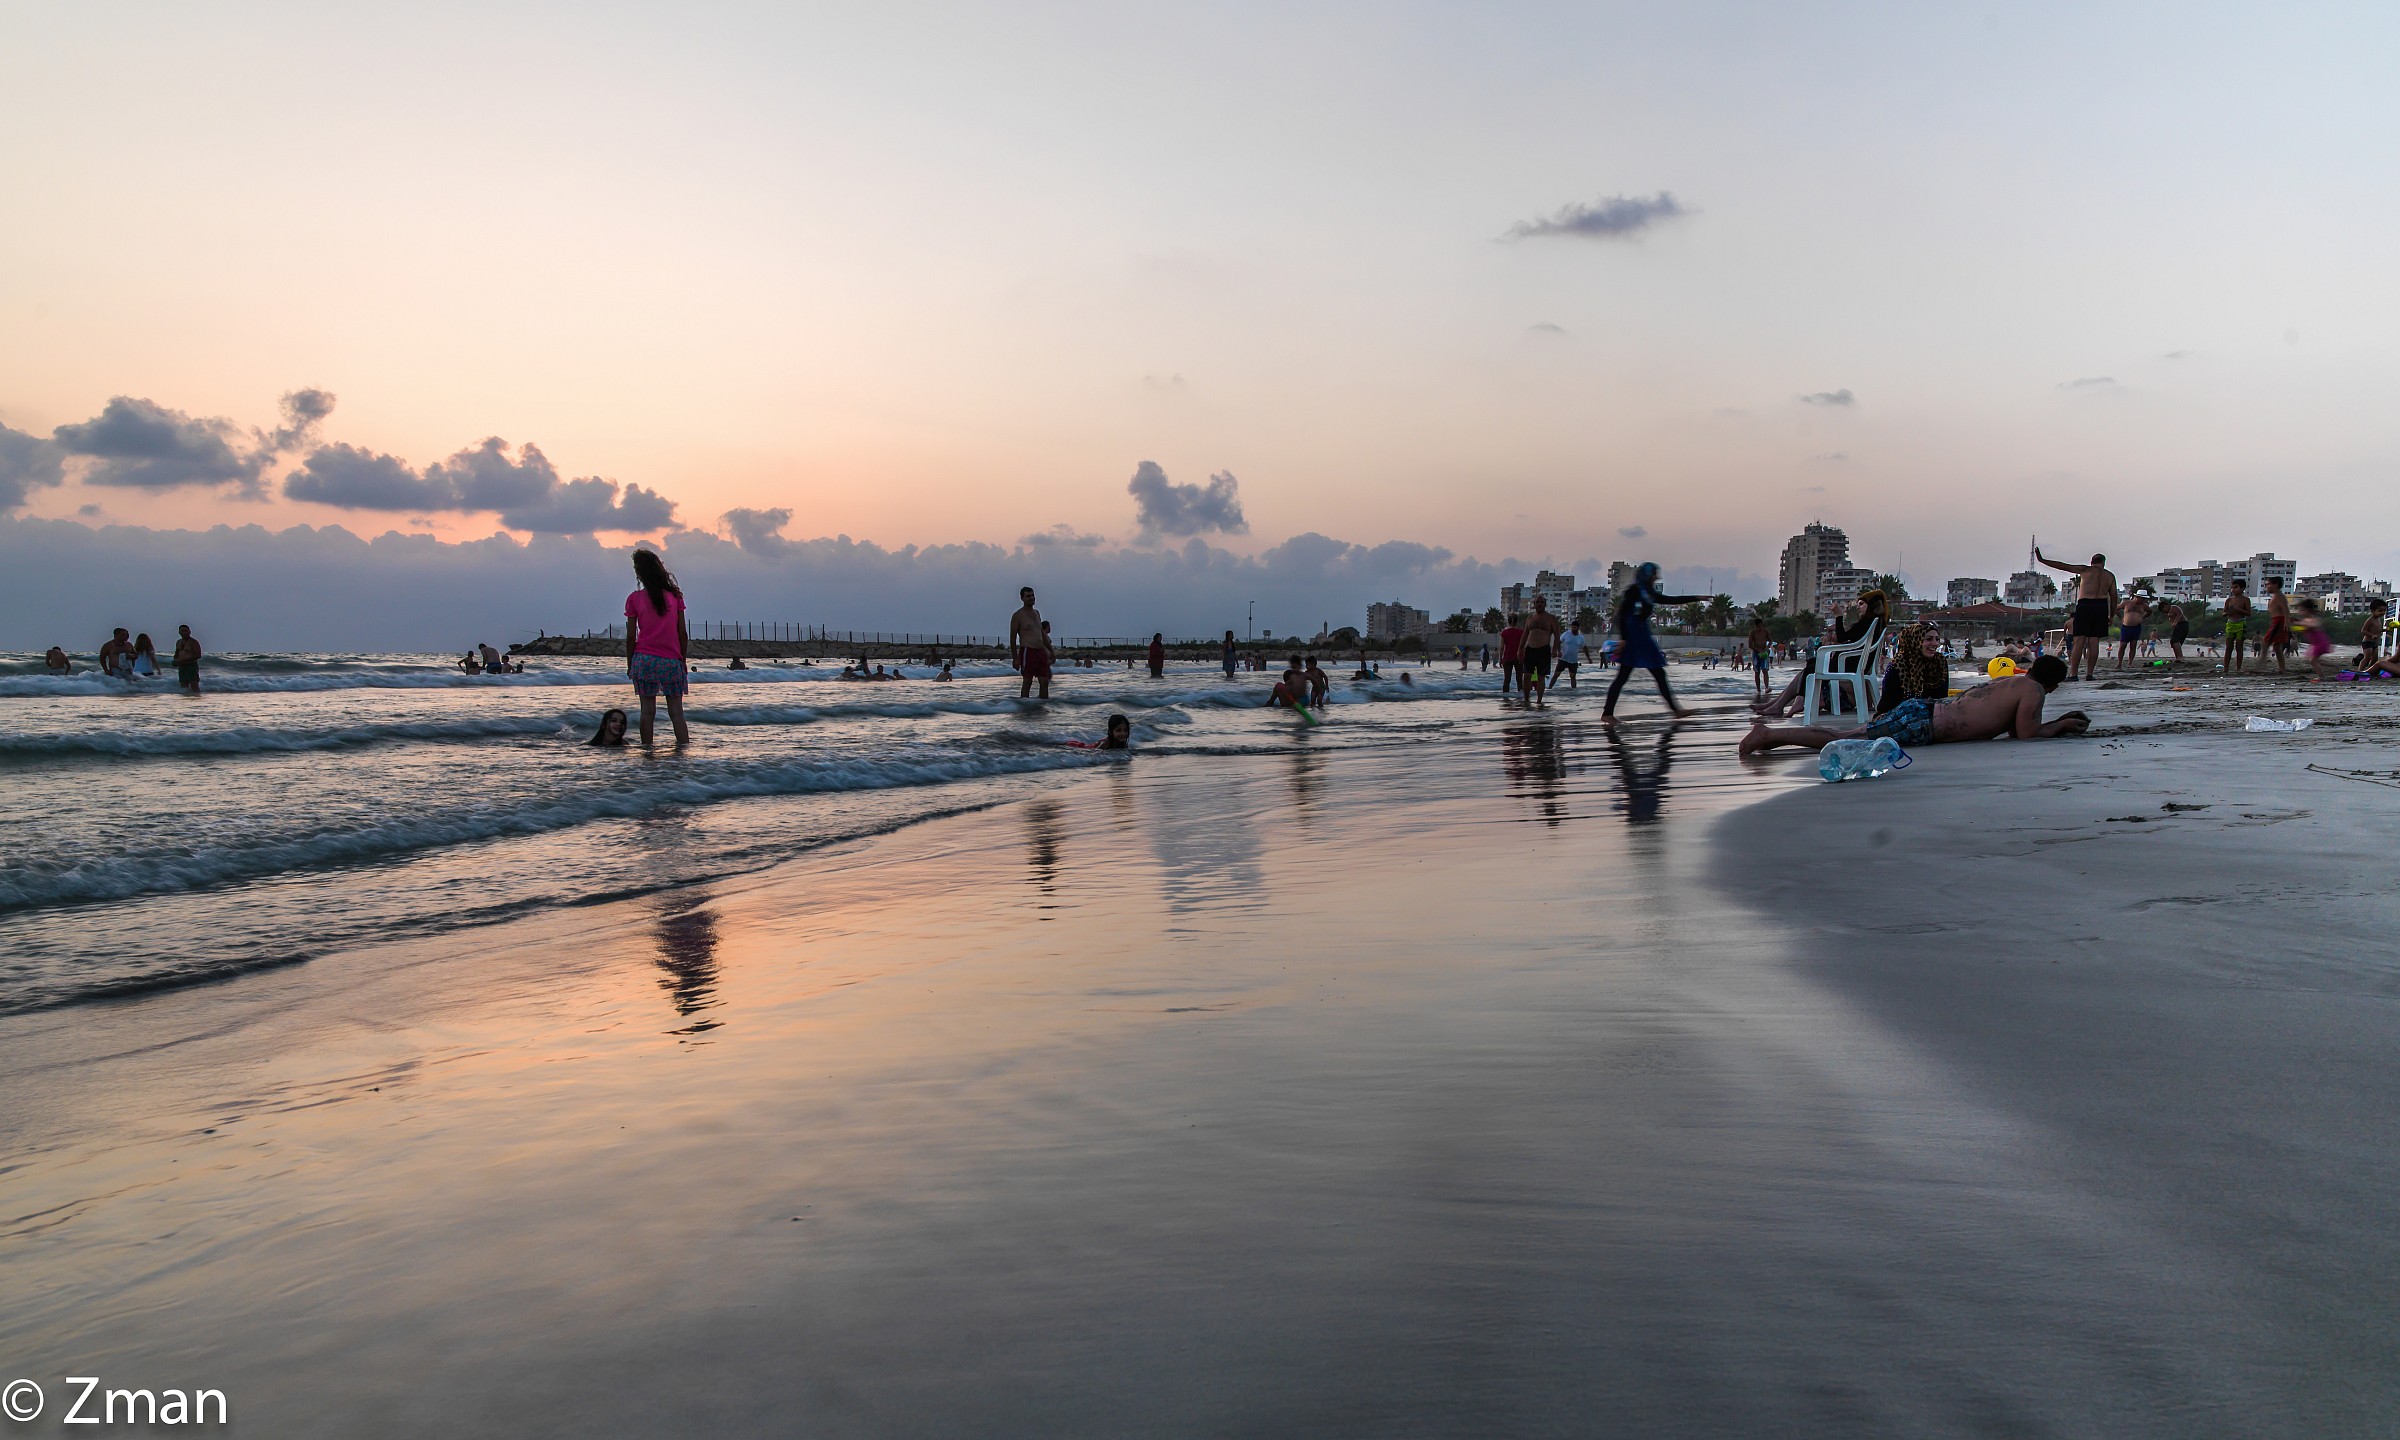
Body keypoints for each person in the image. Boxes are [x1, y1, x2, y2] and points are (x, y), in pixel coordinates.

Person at [1740, 654, 2089, 754]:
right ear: (2053, 684)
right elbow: (2026, 735)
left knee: (1849, 735)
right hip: (1924, 722)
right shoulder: (2034, 692)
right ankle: (1768, 735)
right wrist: (2059, 726)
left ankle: (1771, 735)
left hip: (1925, 712)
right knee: (1844, 739)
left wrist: (2058, 721)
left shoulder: (2014, 682)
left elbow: (2015, 730)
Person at [1755, 591, 1888, 717]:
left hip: (1849, 670)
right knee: (1812, 663)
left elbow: (1842, 637)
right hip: (1852, 667)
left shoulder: (1868, 622)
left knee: (1812, 666)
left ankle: (1790, 703)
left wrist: (1838, 615)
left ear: (1871, 606)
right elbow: (1851, 643)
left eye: (1861, 604)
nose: (1858, 607)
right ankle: (1777, 704)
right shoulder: (1876, 623)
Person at [1602, 563, 1707, 722]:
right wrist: (1624, 638)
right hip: (1633, 637)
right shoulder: (1634, 591)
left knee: (1657, 674)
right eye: (1654, 574)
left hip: (1643, 635)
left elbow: (1669, 600)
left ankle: (1675, 710)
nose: (1657, 577)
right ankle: (1607, 714)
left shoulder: (1648, 592)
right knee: (1624, 676)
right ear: (1647, 575)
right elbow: (1622, 615)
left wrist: (1696, 598)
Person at [624, 549, 691, 745]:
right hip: (671, 660)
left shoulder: (634, 599)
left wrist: (630, 664)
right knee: (677, 713)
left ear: (640, 573)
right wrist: (682, 660)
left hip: (644, 659)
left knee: (647, 711)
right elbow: (682, 634)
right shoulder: (675, 597)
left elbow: (630, 637)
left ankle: (647, 753)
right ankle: (683, 753)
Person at [2035, 546, 2117, 682]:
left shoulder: (2086, 570)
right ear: (2104, 563)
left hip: (2085, 604)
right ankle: (2090, 674)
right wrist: (2111, 615)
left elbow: (2063, 566)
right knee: (2093, 641)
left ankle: (2074, 674)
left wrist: (2042, 560)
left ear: (2092, 562)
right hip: (2101, 606)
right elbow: (2114, 597)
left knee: (2079, 640)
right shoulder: (2109, 576)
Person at [1876, 623, 1949, 714]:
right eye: (1928, 639)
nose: (1935, 643)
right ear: (1914, 640)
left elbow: (1942, 698)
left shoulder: (1940, 662)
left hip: (1934, 715)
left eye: (1937, 639)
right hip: (1900, 717)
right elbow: (1888, 704)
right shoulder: (1898, 665)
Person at [1008, 588, 1052, 699]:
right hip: (1028, 651)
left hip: (1040, 651)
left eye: (1033, 595)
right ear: (1022, 598)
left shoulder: (1036, 613)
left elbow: (1042, 634)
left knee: (1044, 682)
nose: (1031, 598)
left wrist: (1051, 651)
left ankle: (1042, 707)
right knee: (1027, 682)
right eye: (1028, 596)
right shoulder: (1018, 615)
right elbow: (1012, 638)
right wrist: (1015, 658)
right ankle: (1025, 708)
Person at [1520, 597, 1563, 703]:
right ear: (1534, 604)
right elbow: (1525, 634)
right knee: (1526, 676)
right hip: (1530, 649)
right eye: (1537, 602)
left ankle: (1539, 701)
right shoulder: (1530, 618)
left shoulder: (1551, 618)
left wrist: (1555, 649)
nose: (1539, 604)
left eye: (1541, 602)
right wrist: (1520, 649)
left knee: (1541, 677)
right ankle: (1526, 700)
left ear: (1545, 604)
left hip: (1543, 650)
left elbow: (1557, 635)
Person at [2294, 598, 2337, 681]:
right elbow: (2302, 628)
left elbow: (2314, 625)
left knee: (2313, 660)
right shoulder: (2305, 621)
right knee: (2312, 659)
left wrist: (2302, 625)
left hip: (2320, 643)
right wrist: (2296, 626)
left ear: (2308, 610)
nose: (2300, 612)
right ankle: (2333, 666)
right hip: (2315, 644)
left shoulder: (2312, 619)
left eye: (2302, 610)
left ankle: (2322, 677)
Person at [2261, 576, 2292, 672]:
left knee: (2266, 643)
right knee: (2277, 647)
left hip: (2279, 621)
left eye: (2268, 584)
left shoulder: (2279, 596)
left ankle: (2261, 666)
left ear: (2275, 585)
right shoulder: (2275, 596)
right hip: (2276, 621)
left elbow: (2285, 609)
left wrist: (2286, 622)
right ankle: (2282, 668)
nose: (2266, 587)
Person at [2221, 579, 2252, 673]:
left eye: (2236, 587)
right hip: (2230, 623)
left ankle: (2238, 667)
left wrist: (2238, 609)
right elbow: (2223, 613)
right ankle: (2225, 668)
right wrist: (2228, 612)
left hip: (2241, 624)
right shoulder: (2229, 600)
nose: (2233, 589)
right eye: (2232, 587)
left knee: (2239, 647)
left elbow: (2248, 613)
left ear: (2242, 588)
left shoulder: (2245, 600)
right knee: (2228, 647)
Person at [2114, 590, 2150, 671]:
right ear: (2137, 597)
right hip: (2126, 627)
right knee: (2122, 645)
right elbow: (2116, 608)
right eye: (2142, 598)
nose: (2143, 600)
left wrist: (2142, 617)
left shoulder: (2144, 605)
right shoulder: (2127, 603)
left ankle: (2130, 663)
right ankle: (2119, 663)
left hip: (2136, 627)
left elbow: (2149, 611)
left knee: (2133, 645)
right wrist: (2121, 617)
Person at [1497, 614, 1525, 696]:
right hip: (1519, 657)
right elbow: (1524, 646)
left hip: (1507, 658)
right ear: (1516, 621)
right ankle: (1521, 696)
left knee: (1507, 679)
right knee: (1519, 679)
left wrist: (1500, 659)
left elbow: (1502, 647)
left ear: (1508, 622)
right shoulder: (1521, 632)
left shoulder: (1504, 633)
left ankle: (1505, 696)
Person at [2359, 599, 2390, 672]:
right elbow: (2363, 630)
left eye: (2384, 611)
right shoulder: (2370, 620)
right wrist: (2372, 635)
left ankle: (2369, 671)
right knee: (2367, 658)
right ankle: (2360, 671)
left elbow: (2377, 630)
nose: (2382, 613)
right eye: (2380, 611)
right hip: (2367, 642)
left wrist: (2383, 630)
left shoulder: (2378, 619)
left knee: (2375, 659)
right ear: (2372, 611)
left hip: (2374, 643)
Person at [1747, 616, 1773, 699]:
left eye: (1759, 626)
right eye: (1757, 627)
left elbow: (1770, 641)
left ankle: (1766, 687)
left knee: (1765, 669)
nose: (1758, 628)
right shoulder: (1753, 633)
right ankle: (1758, 689)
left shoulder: (1765, 631)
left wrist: (1766, 648)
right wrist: (1758, 650)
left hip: (1764, 652)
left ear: (1762, 625)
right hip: (1756, 653)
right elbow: (1750, 645)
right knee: (1757, 671)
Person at [172, 625, 202, 692]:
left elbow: (198, 655)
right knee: (183, 686)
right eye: (182, 631)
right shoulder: (178, 642)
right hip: (182, 666)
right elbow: (176, 654)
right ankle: (185, 700)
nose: (184, 632)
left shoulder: (193, 642)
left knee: (194, 686)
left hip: (191, 666)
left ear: (189, 632)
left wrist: (182, 660)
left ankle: (197, 698)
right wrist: (175, 661)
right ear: (179, 632)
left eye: (186, 631)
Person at [2159, 600, 2189, 665]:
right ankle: (2177, 657)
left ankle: (2180, 657)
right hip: (2177, 626)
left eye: (2163, 609)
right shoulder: (2168, 612)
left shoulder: (2173, 607)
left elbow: (2180, 614)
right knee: (2173, 641)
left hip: (2182, 624)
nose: (2164, 612)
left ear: (2165, 606)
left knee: (2175, 640)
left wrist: (2175, 622)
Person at [1558, 622, 1585, 689]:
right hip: (1563, 658)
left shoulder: (1580, 637)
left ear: (1578, 628)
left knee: (1573, 676)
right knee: (1556, 674)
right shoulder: (1566, 634)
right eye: (1572, 627)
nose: (1573, 629)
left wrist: (1589, 658)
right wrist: (1558, 652)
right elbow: (1558, 642)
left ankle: (1574, 691)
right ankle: (1549, 688)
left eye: (1574, 628)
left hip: (1573, 660)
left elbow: (1584, 647)